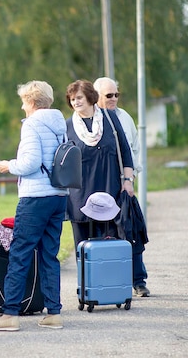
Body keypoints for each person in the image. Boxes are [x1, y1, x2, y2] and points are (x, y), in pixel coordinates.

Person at [0, 80, 68, 331]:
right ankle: (54, 312)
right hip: (58, 195)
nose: (22, 107)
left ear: (31, 102)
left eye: (23, 102)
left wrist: (8, 165)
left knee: (20, 253)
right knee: (49, 254)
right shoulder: (59, 124)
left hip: (35, 198)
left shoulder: (32, 124)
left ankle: (9, 314)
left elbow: (30, 163)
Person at [63, 80, 148, 294]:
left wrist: (128, 181)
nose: (76, 102)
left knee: (114, 240)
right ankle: (87, 288)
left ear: (91, 97)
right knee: (83, 244)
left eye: (79, 98)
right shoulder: (67, 126)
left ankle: (114, 287)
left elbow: (126, 152)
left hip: (111, 191)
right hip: (79, 196)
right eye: (72, 99)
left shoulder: (109, 119)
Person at [93, 76, 150, 295]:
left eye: (117, 94)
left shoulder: (124, 117)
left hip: (124, 185)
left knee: (130, 231)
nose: (114, 98)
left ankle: (138, 280)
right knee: (104, 234)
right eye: (109, 95)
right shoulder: (91, 119)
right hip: (101, 186)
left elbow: (133, 149)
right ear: (96, 96)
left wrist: (131, 178)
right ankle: (108, 282)